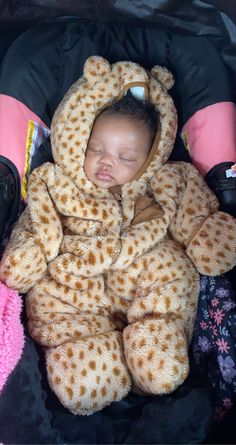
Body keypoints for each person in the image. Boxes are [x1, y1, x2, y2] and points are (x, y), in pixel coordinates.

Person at [0, 56, 235, 416]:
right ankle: (88, 359)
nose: (107, 162)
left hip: (140, 267)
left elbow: (195, 212)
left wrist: (207, 235)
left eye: (126, 157)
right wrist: (28, 254)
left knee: (172, 271)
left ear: (150, 157)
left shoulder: (168, 180)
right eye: (96, 149)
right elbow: (38, 224)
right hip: (78, 276)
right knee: (46, 299)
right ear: (79, 138)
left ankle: (154, 344)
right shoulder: (56, 182)